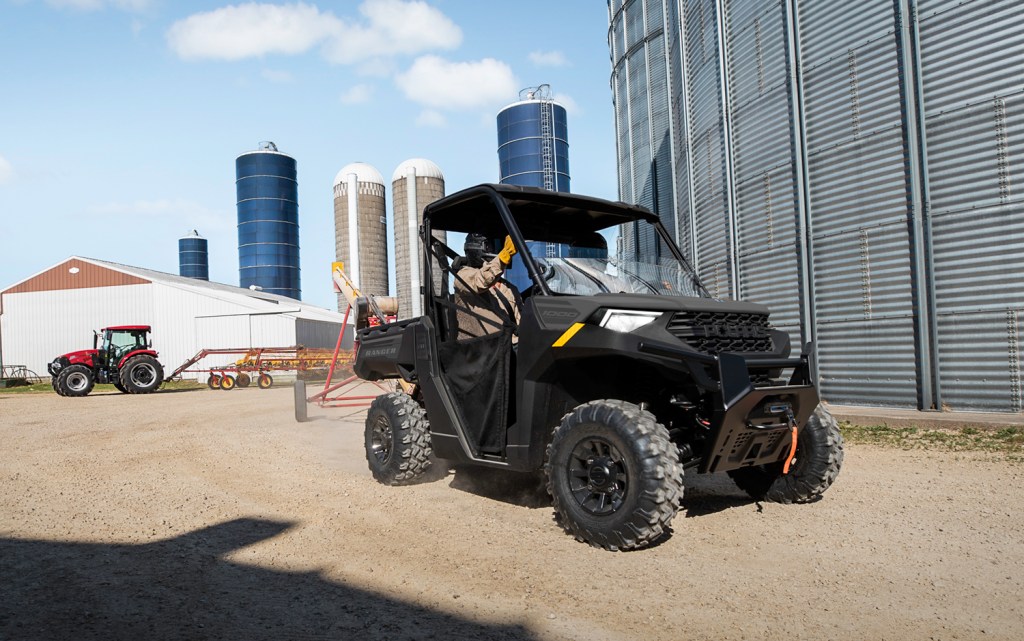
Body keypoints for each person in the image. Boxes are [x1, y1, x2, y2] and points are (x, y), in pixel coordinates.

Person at [454, 233, 520, 342]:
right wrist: (504, 256)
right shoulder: (462, 276)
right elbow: (481, 281)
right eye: (495, 246)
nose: (499, 251)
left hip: (512, 345)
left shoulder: (507, 286)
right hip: (482, 349)